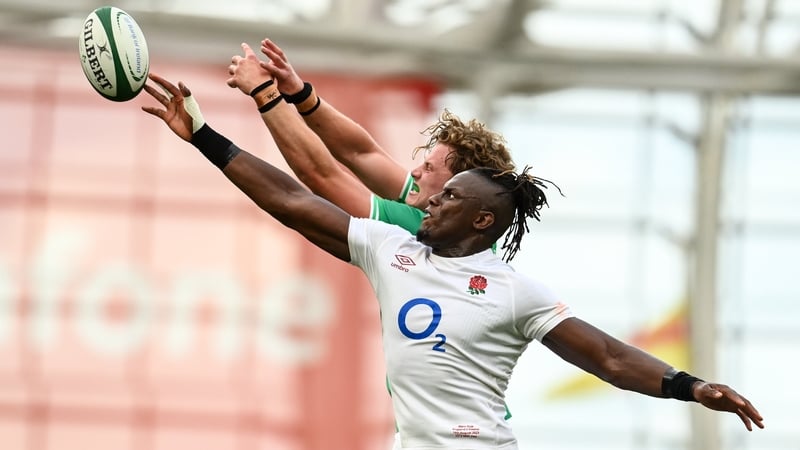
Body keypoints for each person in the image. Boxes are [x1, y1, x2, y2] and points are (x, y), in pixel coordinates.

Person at [141, 73, 764, 449]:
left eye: (448, 195)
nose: (429, 200)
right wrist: (202, 134)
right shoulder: (391, 249)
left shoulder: (514, 290)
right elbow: (293, 201)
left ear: (482, 220)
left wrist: (692, 387)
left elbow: (607, 356)